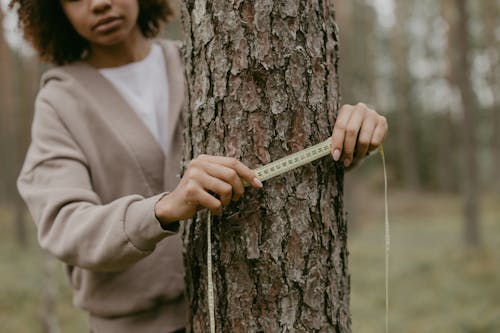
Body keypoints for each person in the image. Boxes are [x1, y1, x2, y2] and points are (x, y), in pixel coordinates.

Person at [11, 0, 388, 332]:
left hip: (236, 311)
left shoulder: (207, 63)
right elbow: (64, 224)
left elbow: (272, 152)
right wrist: (161, 209)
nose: (99, 3)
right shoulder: (60, 101)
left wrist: (348, 134)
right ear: (53, 9)